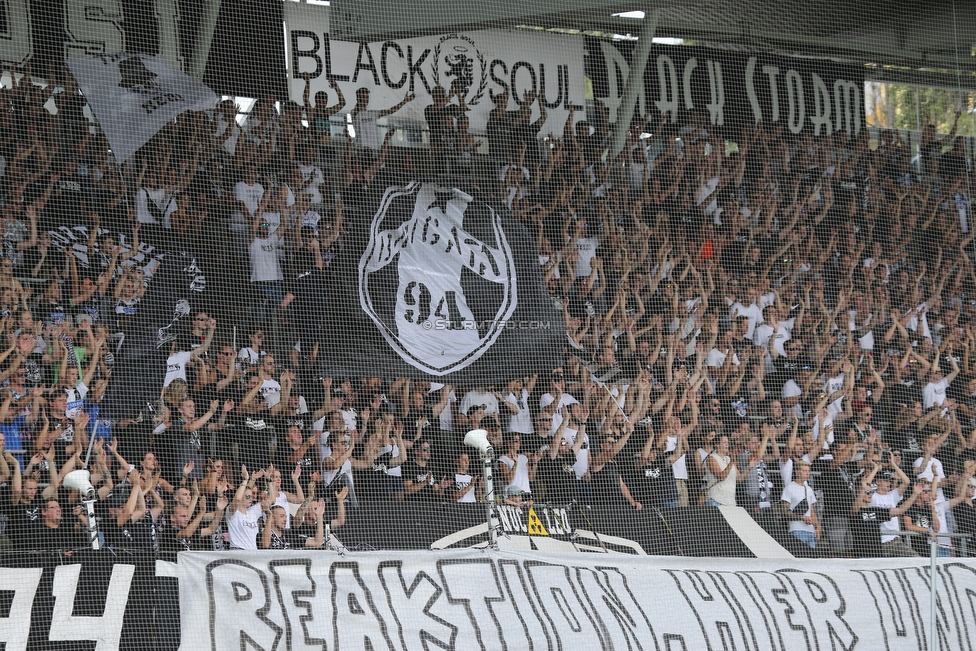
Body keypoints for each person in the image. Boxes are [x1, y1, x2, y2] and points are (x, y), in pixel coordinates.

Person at [778, 460, 820, 550]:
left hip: (810, 530)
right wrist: (802, 518)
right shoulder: (789, 488)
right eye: (804, 471)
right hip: (796, 529)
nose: (807, 473)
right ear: (797, 472)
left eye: (808, 471)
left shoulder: (809, 489)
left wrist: (818, 527)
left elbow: (812, 511)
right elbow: (784, 513)